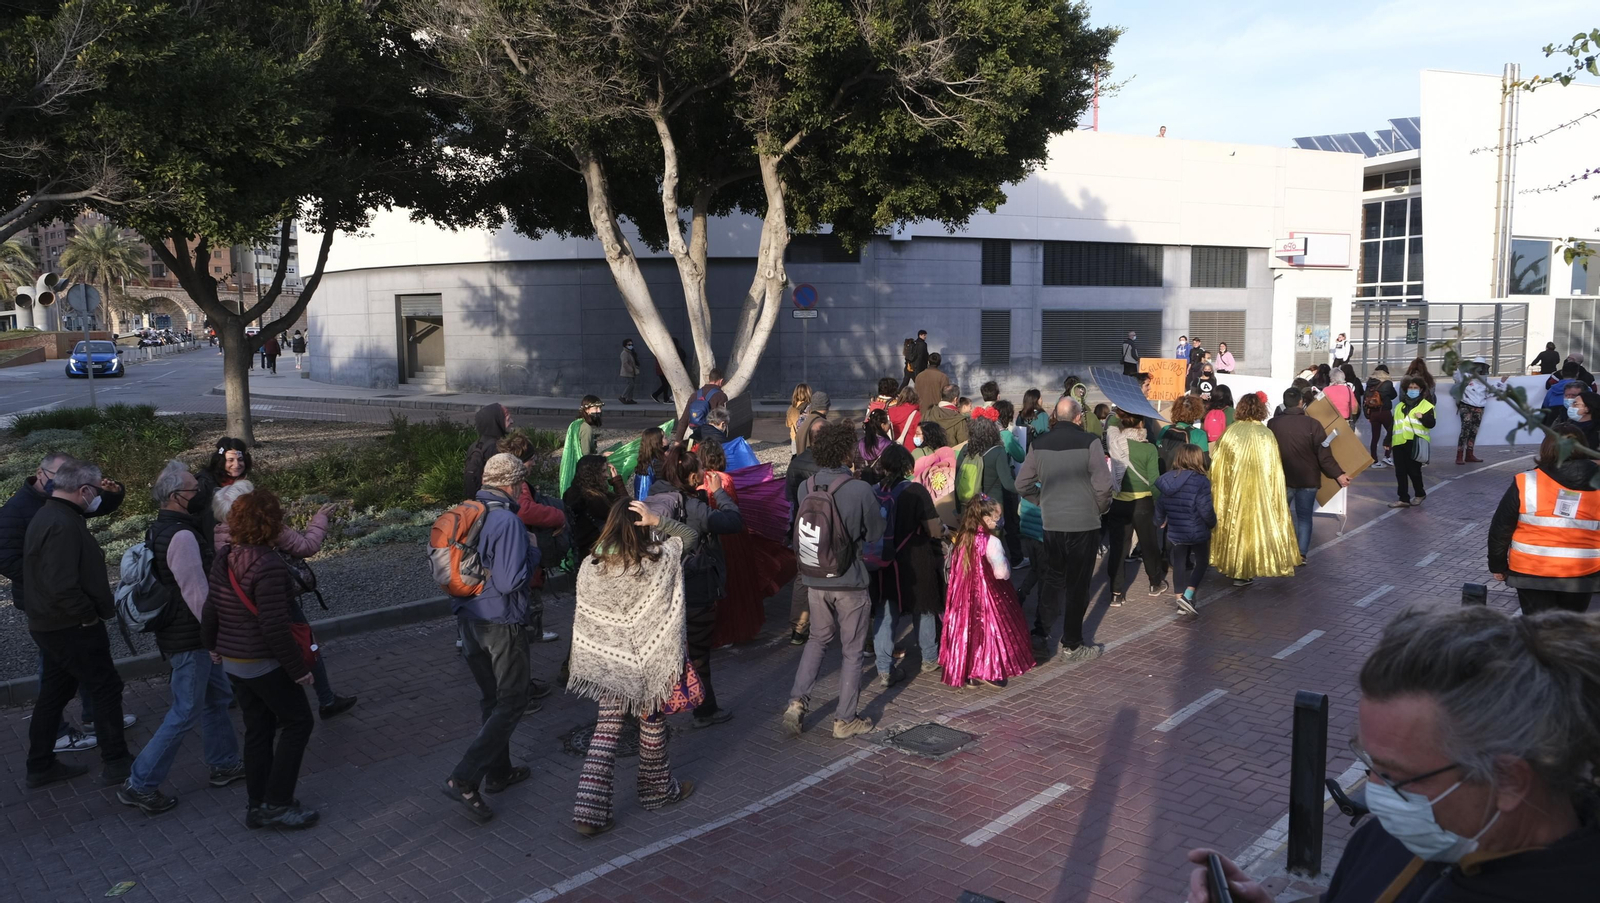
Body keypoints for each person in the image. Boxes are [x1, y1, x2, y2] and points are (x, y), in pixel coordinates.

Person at [1184, 605, 1600, 903]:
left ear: (1508, 779)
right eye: (1370, 767)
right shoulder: (1399, 837)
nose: (1375, 793)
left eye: (1396, 776)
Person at [118, 462, 244, 814]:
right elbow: (196, 592)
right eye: (193, 488)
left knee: (216, 698)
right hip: (191, 639)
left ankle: (225, 763)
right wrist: (216, 637)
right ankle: (140, 783)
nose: (199, 492)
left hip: (182, 634)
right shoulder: (182, 536)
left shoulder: (162, 528)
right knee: (185, 710)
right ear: (176, 497)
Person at [568, 497, 699, 836]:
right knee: (651, 721)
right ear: (640, 525)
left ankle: (588, 812)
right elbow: (691, 536)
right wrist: (657, 520)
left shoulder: (591, 564)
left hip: (609, 663)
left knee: (606, 729)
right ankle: (656, 791)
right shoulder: (658, 559)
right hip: (651, 661)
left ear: (610, 524)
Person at [201, 489, 318, 829]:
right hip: (263, 662)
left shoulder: (225, 557)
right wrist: (298, 671)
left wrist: (211, 644)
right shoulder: (267, 564)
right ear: (271, 523)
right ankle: (278, 803)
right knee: (299, 723)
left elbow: (212, 608)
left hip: (235, 661)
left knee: (258, 729)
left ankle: (258, 803)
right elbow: (274, 626)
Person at [2, 452, 128, 753]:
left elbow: (96, 505)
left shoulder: (61, 507)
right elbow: (43, 575)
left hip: (56, 613)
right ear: (42, 473)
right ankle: (115, 760)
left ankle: (45, 760)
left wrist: (114, 491)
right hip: (62, 616)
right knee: (99, 684)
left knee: (59, 688)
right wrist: (87, 615)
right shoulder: (33, 514)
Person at [438, 454, 537, 824]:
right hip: (501, 620)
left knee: (492, 698)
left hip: (468, 618)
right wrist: (533, 549)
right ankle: (464, 777)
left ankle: (500, 771)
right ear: (512, 484)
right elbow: (511, 581)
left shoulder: (468, 511)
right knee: (513, 701)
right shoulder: (507, 520)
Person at [211, 483, 356, 719]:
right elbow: (307, 546)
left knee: (263, 655)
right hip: (277, 597)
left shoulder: (220, 535)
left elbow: (211, 604)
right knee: (305, 644)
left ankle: (273, 711)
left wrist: (211, 643)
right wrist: (319, 520)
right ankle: (325, 699)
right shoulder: (266, 531)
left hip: (242, 604)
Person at [783, 421, 885, 740]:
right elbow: (876, 533)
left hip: (815, 578)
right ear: (846, 451)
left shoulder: (807, 487)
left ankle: (797, 702)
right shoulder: (859, 489)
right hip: (849, 580)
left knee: (817, 639)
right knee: (852, 651)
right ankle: (844, 719)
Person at [644, 444, 743, 729]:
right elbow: (733, 522)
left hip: (663, 588)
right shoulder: (695, 508)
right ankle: (705, 709)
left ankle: (652, 712)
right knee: (699, 653)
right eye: (699, 468)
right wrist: (719, 492)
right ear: (690, 478)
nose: (704, 471)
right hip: (696, 589)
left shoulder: (655, 496)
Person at [1017, 398, 1113, 662]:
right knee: (1078, 584)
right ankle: (1072, 643)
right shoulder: (1091, 442)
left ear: (1055, 417)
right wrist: (1098, 508)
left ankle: (1041, 633)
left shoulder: (1038, 444)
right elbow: (1104, 487)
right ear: (1079, 417)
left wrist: (1043, 502)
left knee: (1052, 580)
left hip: (1053, 523)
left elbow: (1022, 484)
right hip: (1084, 523)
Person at [1488, 424, 1599, 615]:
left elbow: (1502, 527)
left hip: (1531, 571)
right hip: (1583, 572)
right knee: (1569, 630)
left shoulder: (1527, 481)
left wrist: (1498, 565)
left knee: (1536, 631)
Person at [869, 444, 945, 688]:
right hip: (915, 558)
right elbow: (934, 529)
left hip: (883, 561)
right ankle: (929, 658)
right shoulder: (916, 491)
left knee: (885, 613)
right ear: (906, 466)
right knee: (923, 607)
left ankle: (884, 668)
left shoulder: (873, 491)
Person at [939, 495, 1035, 689]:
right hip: (989, 594)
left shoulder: (963, 538)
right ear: (985, 517)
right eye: (995, 516)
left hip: (962, 596)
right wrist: (1006, 564)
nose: (998, 520)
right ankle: (986, 670)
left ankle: (968, 671)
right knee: (989, 632)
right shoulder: (992, 542)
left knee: (966, 630)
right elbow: (1002, 573)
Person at [1209, 393, 1297, 588]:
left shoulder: (1230, 432)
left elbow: (1217, 468)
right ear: (1261, 410)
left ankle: (1237, 568)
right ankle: (1248, 568)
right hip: (1260, 492)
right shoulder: (1266, 434)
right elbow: (1274, 469)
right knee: (1255, 527)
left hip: (1234, 492)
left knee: (1236, 527)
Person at [1269, 388, 1350, 561]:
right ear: (1301, 402)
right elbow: (1323, 454)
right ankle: (1301, 554)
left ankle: (1280, 550)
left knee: (1280, 515)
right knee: (1304, 517)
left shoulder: (1273, 424)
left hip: (1282, 478)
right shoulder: (1313, 424)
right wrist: (1339, 474)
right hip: (1308, 479)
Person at [1105, 408, 1166, 605]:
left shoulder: (1114, 442)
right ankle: (1155, 583)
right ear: (1141, 424)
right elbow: (1154, 481)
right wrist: (1161, 507)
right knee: (1149, 544)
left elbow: (1111, 425)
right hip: (1143, 503)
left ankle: (1116, 592)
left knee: (1118, 549)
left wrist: (1117, 413)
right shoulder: (1148, 449)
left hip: (1118, 502)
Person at [1154, 444, 1213, 615]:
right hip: (1196, 527)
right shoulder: (1201, 481)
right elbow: (1205, 509)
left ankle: (1179, 598)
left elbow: (1161, 503)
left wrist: (1159, 520)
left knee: (1178, 562)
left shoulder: (1167, 479)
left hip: (1176, 528)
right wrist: (1212, 523)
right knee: (1201, 561)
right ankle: (1187, 595)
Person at [1389, 376, 1436, 509]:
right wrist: (1388, 441)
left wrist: (1423, 417)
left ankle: (1420, 493)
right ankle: (1403, 498)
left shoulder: (1427, 406)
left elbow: (1431, 423)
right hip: (1399, 441)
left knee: (1414, 471)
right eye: (1410, 387)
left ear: (1421, 389)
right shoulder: (1399, 406)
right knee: (1400, 472)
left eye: (1415, 388)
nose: (1412, 390)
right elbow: (1393, 424)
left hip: (1415, 442)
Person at [463, 403, 511, 500]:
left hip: (477, 498)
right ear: (496, 421)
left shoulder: (475, 446)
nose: (512, 422)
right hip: (495, 499)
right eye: (508, 419)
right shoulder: (498, 447)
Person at [1456, 357, 1493, 464]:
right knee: (1465, 430)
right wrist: (1459, 367)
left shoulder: (1484, 380)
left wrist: (1502, 382)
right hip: (1466, 406)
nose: (1479, 369)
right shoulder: (1466, 377)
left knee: (1474, 431)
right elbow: (1457, 377)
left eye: (1481, 366)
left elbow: (1490, 392)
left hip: (1479, 408)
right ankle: (1459, 455)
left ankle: (1469, 454)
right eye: (1477, 366)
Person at [677, 369, 729, 441]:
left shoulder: (694, 395)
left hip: (697, 435)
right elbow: (722, 418)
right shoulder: (721, 396)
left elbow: (684, 420)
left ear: (709, 379)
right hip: (713, 438)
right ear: (721, 381)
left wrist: (677, 441)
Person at [1364, 365, 1398, 467]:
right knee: (1391, 433)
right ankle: (1387, 456)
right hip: (1384, 412)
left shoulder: (1370, 383)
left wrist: (1368, 416)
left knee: (1375, 437)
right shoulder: (1387, 383)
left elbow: (1365, 400)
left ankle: (1374, 460)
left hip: (1373, 413)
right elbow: (1394, 395)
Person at [1160, 395, 1211, 461]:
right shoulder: (1199, 434)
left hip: (1165, 470)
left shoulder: (1165, 429)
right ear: (1197, 412)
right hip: (1187, 470)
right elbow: (1205, 460)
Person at [913, 352, 950, 420]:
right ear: (939, 362)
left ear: (928, 361)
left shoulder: (919, 376)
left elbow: (915, 394)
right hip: (936, 413)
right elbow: (946, 397)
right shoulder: (943, 377)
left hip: (921, 412)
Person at [885, 385, 922, 451]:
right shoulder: (917, 415)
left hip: (893, 448)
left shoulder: (890, 411)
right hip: (911, 449)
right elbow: (918, 433)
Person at [786, 382, 813, 451]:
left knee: (796, 458)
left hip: (796, 437)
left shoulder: (792, 408)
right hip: (809, 438)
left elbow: (788, 424)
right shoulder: (812, 407)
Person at [617, 338, 640, 405]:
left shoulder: (630, 352)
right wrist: (631, 369)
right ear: (625, 345)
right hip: (627, 372)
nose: (631, 346)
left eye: (631, 344)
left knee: (632, 385)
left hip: (632, 372)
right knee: (631, 384)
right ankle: (623, 396)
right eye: (629, 344)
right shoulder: (624, 353)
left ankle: (629, 399)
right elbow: (625, 363)